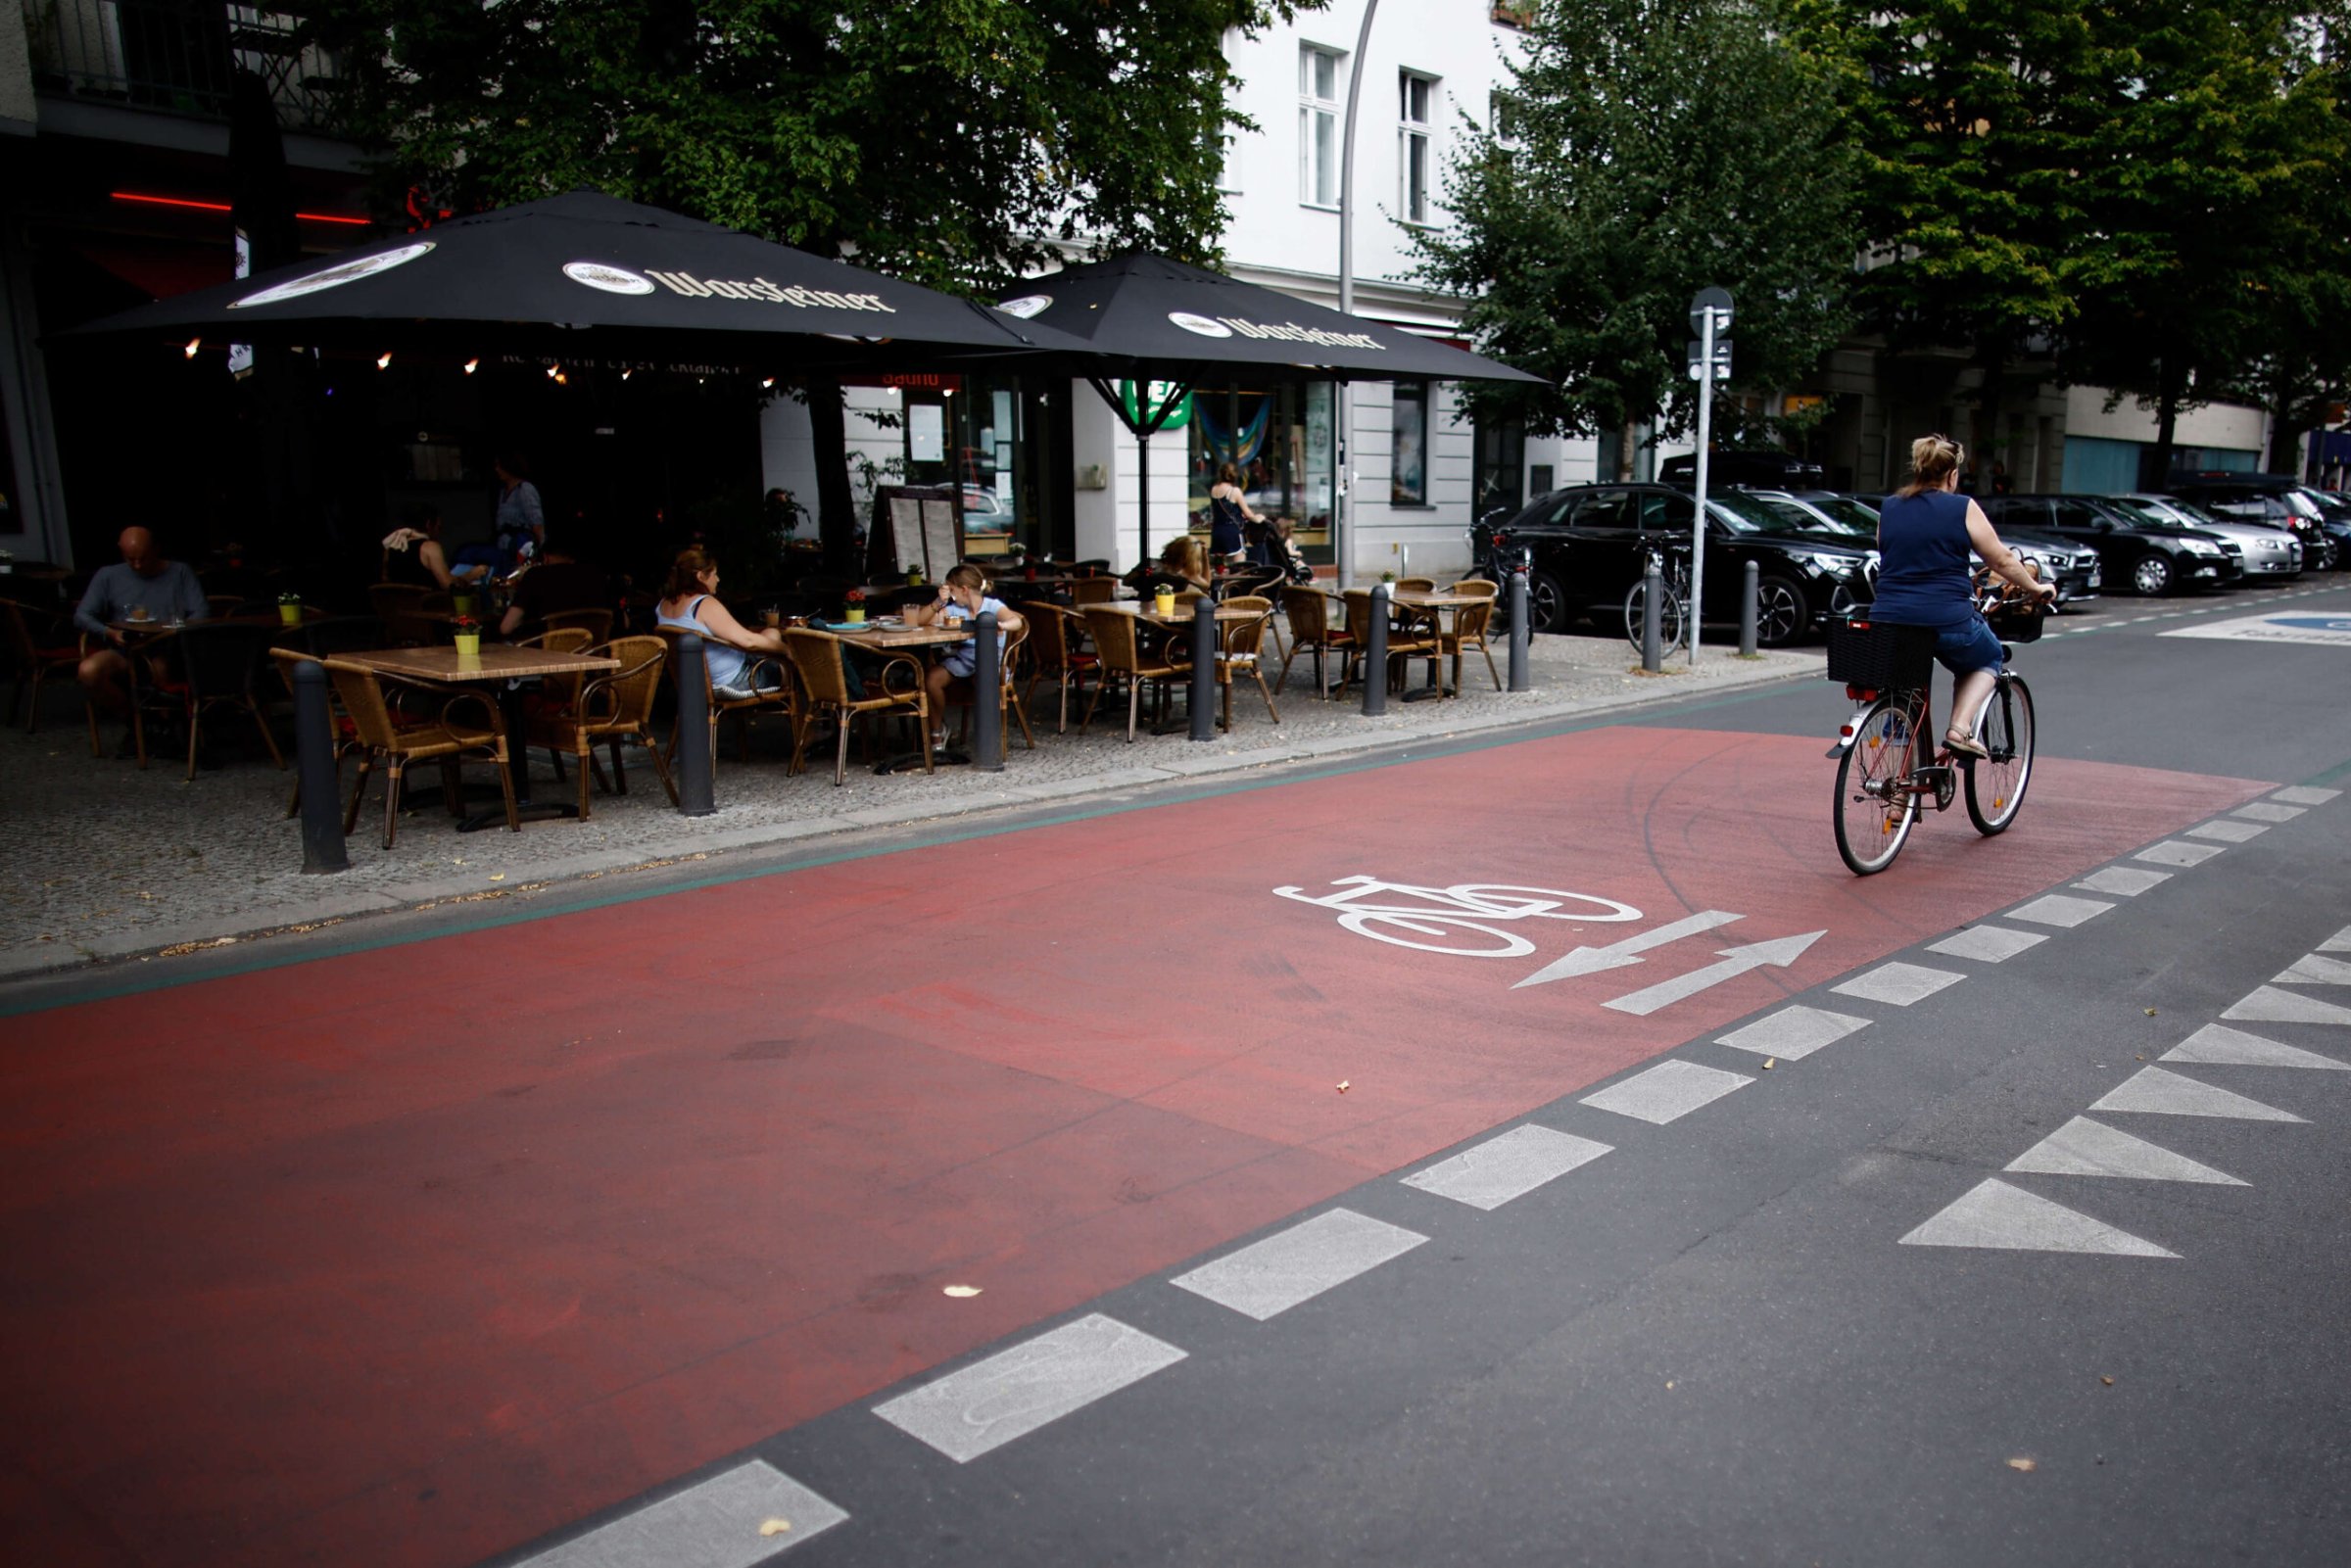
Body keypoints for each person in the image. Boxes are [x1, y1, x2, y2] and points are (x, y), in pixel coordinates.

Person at [1872, 434, 2055, 758]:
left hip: (1888, 622)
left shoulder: (1890, 507)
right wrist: (2036, 588)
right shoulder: (1962, 507)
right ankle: (1959, 729)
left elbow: (1890, 553)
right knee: (1988, 657)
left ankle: (1900, 797)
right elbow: (2000, 560)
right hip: (1946, 619)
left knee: (1904, 693)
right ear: (1952, 475)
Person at [74, 526, 211, 722]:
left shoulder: (179, 572)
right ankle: (133, 721)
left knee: (160, 669)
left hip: (168, 648)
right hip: (125, 648)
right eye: (131, 559)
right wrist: (109, 632)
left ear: (156, 549)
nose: (137, 565)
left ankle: (166, 725)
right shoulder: (108, 576)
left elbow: (202, 612)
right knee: (88, 671)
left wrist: (177, 629)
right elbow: (82, 615)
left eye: (143, 558)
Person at [907, 563, 1024, 747]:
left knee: (982, 680)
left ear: (964, 590)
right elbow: (922, 621)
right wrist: (938, 602)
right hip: (964, 660)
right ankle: (937, 732)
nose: (950, 595)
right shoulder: (955, 610)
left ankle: (989, 740)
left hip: (991, 661)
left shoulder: (992, 606)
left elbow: (1016, 621)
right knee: (931, 679)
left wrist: (1001, 626)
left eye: (951, 590)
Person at [653, 546, 787, 699]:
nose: (718, 579)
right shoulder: (703, 604)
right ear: (701, 576)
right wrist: (787, 650)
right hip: (732, 680)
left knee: (771, 632)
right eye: (714, 574)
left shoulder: (663, 605)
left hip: (694, 681)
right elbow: (749, 641)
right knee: (787, 667)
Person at [500, 532, 610, 638]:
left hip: (544, 654)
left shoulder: (535, 576)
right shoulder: (597, 576)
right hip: (591, 653)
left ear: (546, 557)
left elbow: (506, 628)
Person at [380, 506, 456, 590]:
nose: (439, 533)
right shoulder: (430, 547)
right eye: (438, 527)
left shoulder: (391, 547)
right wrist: (471, 574)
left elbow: (385, 579)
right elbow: (449, 586)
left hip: (395, 602)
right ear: (428, 524)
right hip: (425, 601)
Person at [493, 451, 545, 571]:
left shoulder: (525, 489)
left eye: (499, 466)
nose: (497, 470)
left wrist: (538, 551)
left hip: (521, 548)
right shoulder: (503, 492)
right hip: (504, 548)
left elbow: (537, 523)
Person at [1207, 460, 1261, 563]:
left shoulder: (1214, 489)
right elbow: (1248, 513)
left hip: (1217, 532)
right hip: (1232, 532)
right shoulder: (1234, 491)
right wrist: (1259, 518)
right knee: (1238, 568)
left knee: (1220, 568)